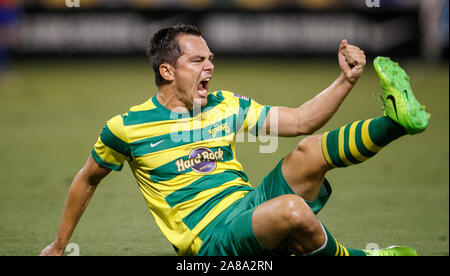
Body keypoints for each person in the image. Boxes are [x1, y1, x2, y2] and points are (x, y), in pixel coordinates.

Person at [40, 23, 429, 256]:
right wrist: (59, 245)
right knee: (293, 210)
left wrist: (346, 80)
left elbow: (299, 120)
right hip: (212, 242)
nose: (210, 66)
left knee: (309, 152)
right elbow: (88, 178)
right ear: (167, 70)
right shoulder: (126, 127)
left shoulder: (223, 104)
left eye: (210, 58)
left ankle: (395, 122)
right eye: (198, 60)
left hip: (249, 207)